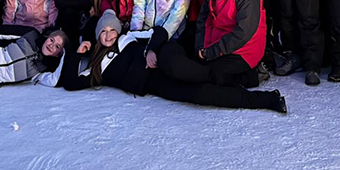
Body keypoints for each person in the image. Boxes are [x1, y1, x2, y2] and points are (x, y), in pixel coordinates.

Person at [59, 10, 286, 113]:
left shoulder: (129, 38)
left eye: (112, 30)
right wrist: (76, 53)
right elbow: (70, 82)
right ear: (97, 35)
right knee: (201, 94)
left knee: (179, 68)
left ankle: (239, 76)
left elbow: (159, 31)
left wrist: (150, 50)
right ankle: (267, 99)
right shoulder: (99, 69)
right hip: (155, 83)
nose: (109, 35)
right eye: (104, 32)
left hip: (165, 55)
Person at [159, 0, 267, 89]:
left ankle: (252, 75)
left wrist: (211, 52)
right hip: (218, 42)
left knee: (210, 75)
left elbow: (244, 32)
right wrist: (201, 47)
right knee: (196, 66)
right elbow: (203, 20)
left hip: (244, 48)